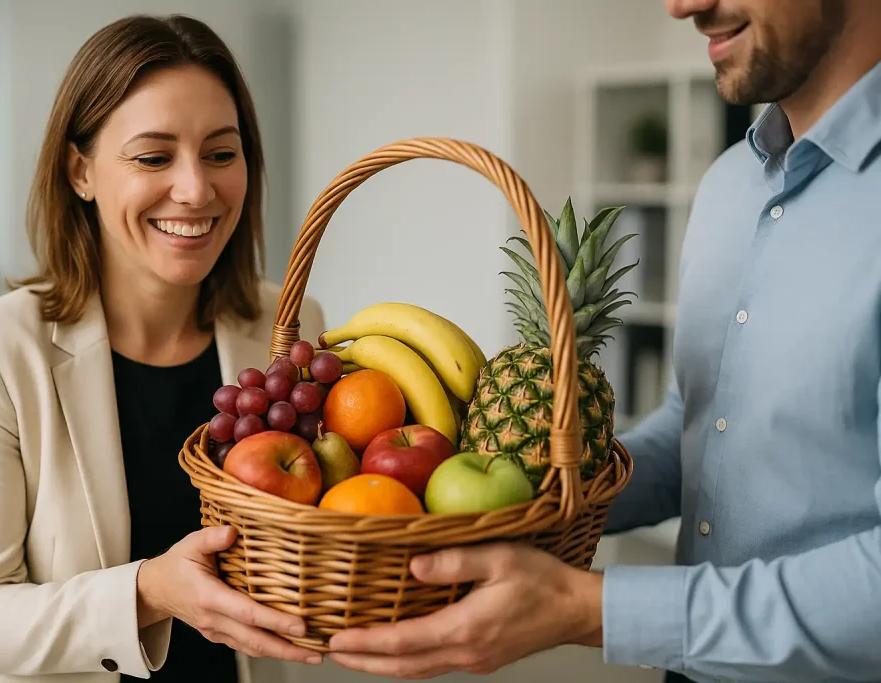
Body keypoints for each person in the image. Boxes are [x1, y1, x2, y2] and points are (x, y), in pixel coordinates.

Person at [324, 1, 881, 681]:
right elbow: (701, 430)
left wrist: (586, 607)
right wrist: (519, 494)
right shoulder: (731, 184)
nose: (683, 6)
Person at [0, 14, 327, 683]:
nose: (196, 189)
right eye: (153, 156)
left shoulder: (288, 325)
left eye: (221, 153)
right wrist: (149, 591)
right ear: (81, 171)